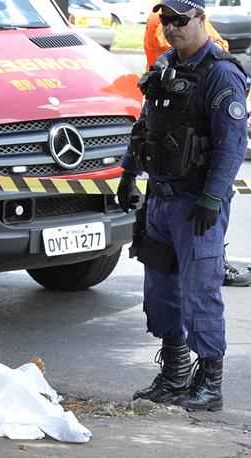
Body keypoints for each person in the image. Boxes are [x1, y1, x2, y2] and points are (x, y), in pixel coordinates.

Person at [118, 0, 248, 412]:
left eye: (180, 20)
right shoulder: (163, 68)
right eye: (165, 21)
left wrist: (212, 198)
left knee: (199, 293)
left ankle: (209, 383)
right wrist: (127, 173)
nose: (171, 28)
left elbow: (232, 146)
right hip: (161, 200)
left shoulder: (221, 74)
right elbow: (145, 128)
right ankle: (174, 374)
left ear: (201, 20)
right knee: (161, 292)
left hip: (196, 205)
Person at [143, 9, 228, 70]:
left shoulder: (159, 14)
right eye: (164, 20)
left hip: (158, 77)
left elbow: (219, 47)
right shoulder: (179, 13)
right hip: (171, 78)